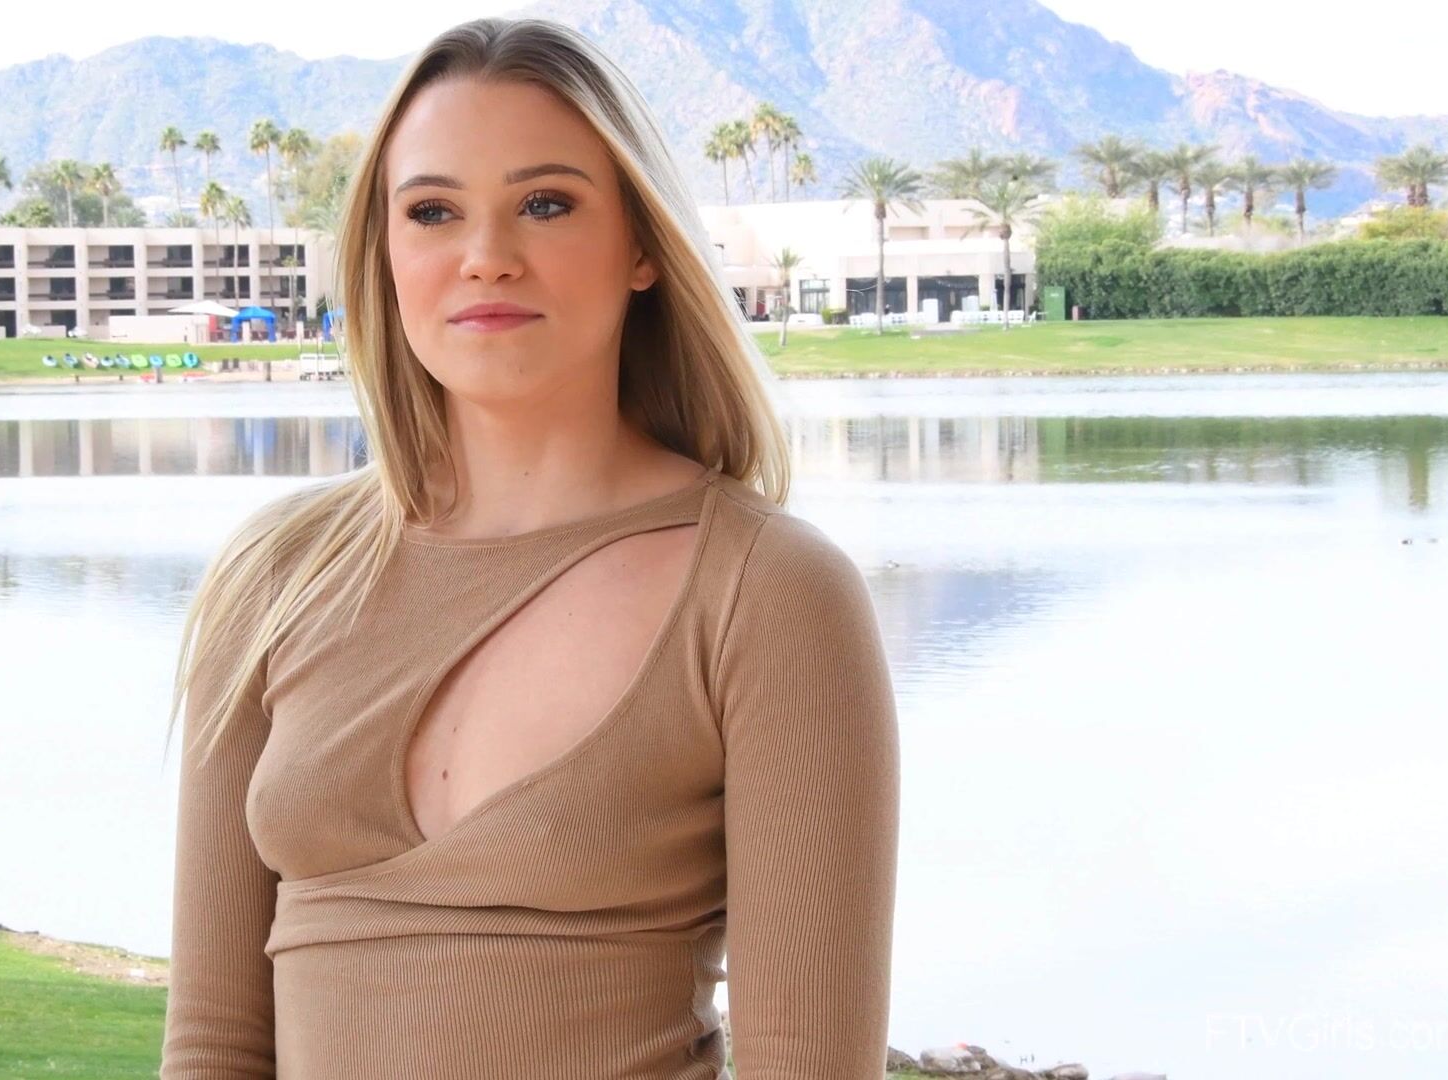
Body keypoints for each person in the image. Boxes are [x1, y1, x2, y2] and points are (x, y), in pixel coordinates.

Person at [159, 16, 899, 1079]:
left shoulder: (767, 591)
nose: (486, 258)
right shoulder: (277, 578)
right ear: (384, 252)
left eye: (546, 204)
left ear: (642, 245)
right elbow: (214, 1047)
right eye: (432, 212)